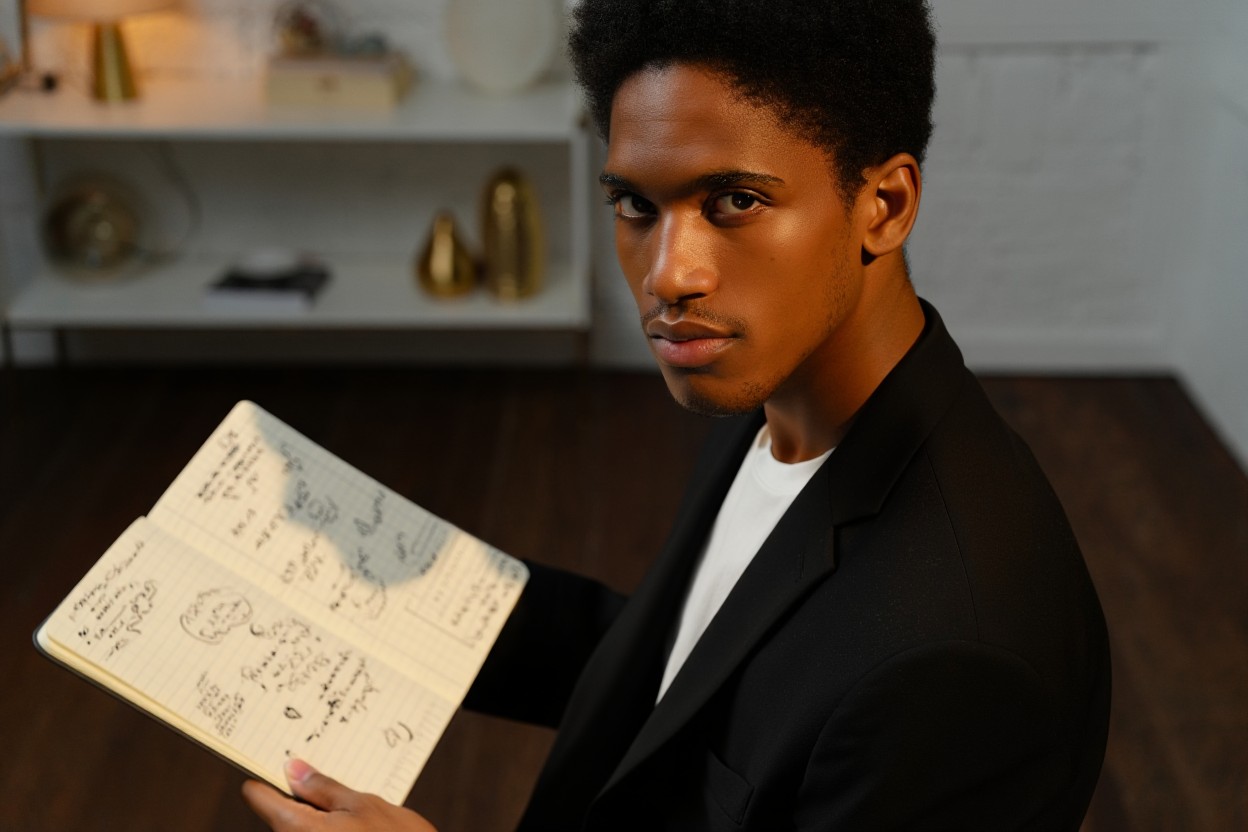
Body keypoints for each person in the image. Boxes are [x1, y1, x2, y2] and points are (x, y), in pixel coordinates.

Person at [243, 1, 1112, 829]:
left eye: (735, 201)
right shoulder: (779, 395)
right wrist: (371, 575)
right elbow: (686, 664)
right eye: (636, 205)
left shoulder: (956, 661)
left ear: (883, 206)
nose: (668, 275)